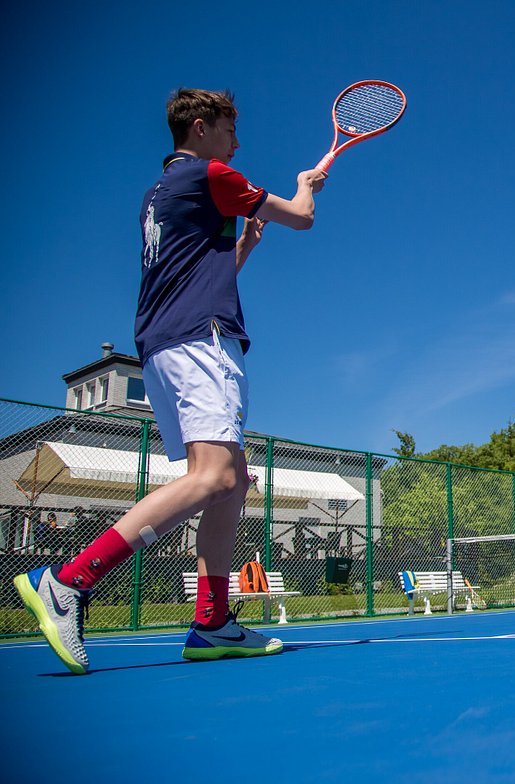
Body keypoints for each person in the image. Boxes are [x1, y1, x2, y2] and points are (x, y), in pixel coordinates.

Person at [12, 88, 327, 674]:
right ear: (201, 128)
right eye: (231, 130)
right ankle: (69, 580)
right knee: (214, 477)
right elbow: (301, 217)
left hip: (165, 342)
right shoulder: (212, 175)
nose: (237, 143)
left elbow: (196, 277)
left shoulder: (160, 193)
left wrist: (242, 247)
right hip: (201, 342)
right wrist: (306, 184)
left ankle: (212, 623)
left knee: (230, 482)